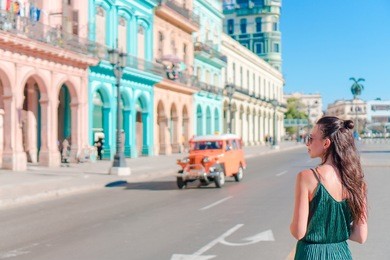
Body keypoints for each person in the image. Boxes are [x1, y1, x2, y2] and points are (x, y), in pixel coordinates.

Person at [290, 116, 368, 259]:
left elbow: (298, 232)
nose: (307, 143)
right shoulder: (357, 182)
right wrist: (336, 230)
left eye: (311, 138)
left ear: (326, 143)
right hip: (341, 254)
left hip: (310, 254)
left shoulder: (307, 177)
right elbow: (360, 236)